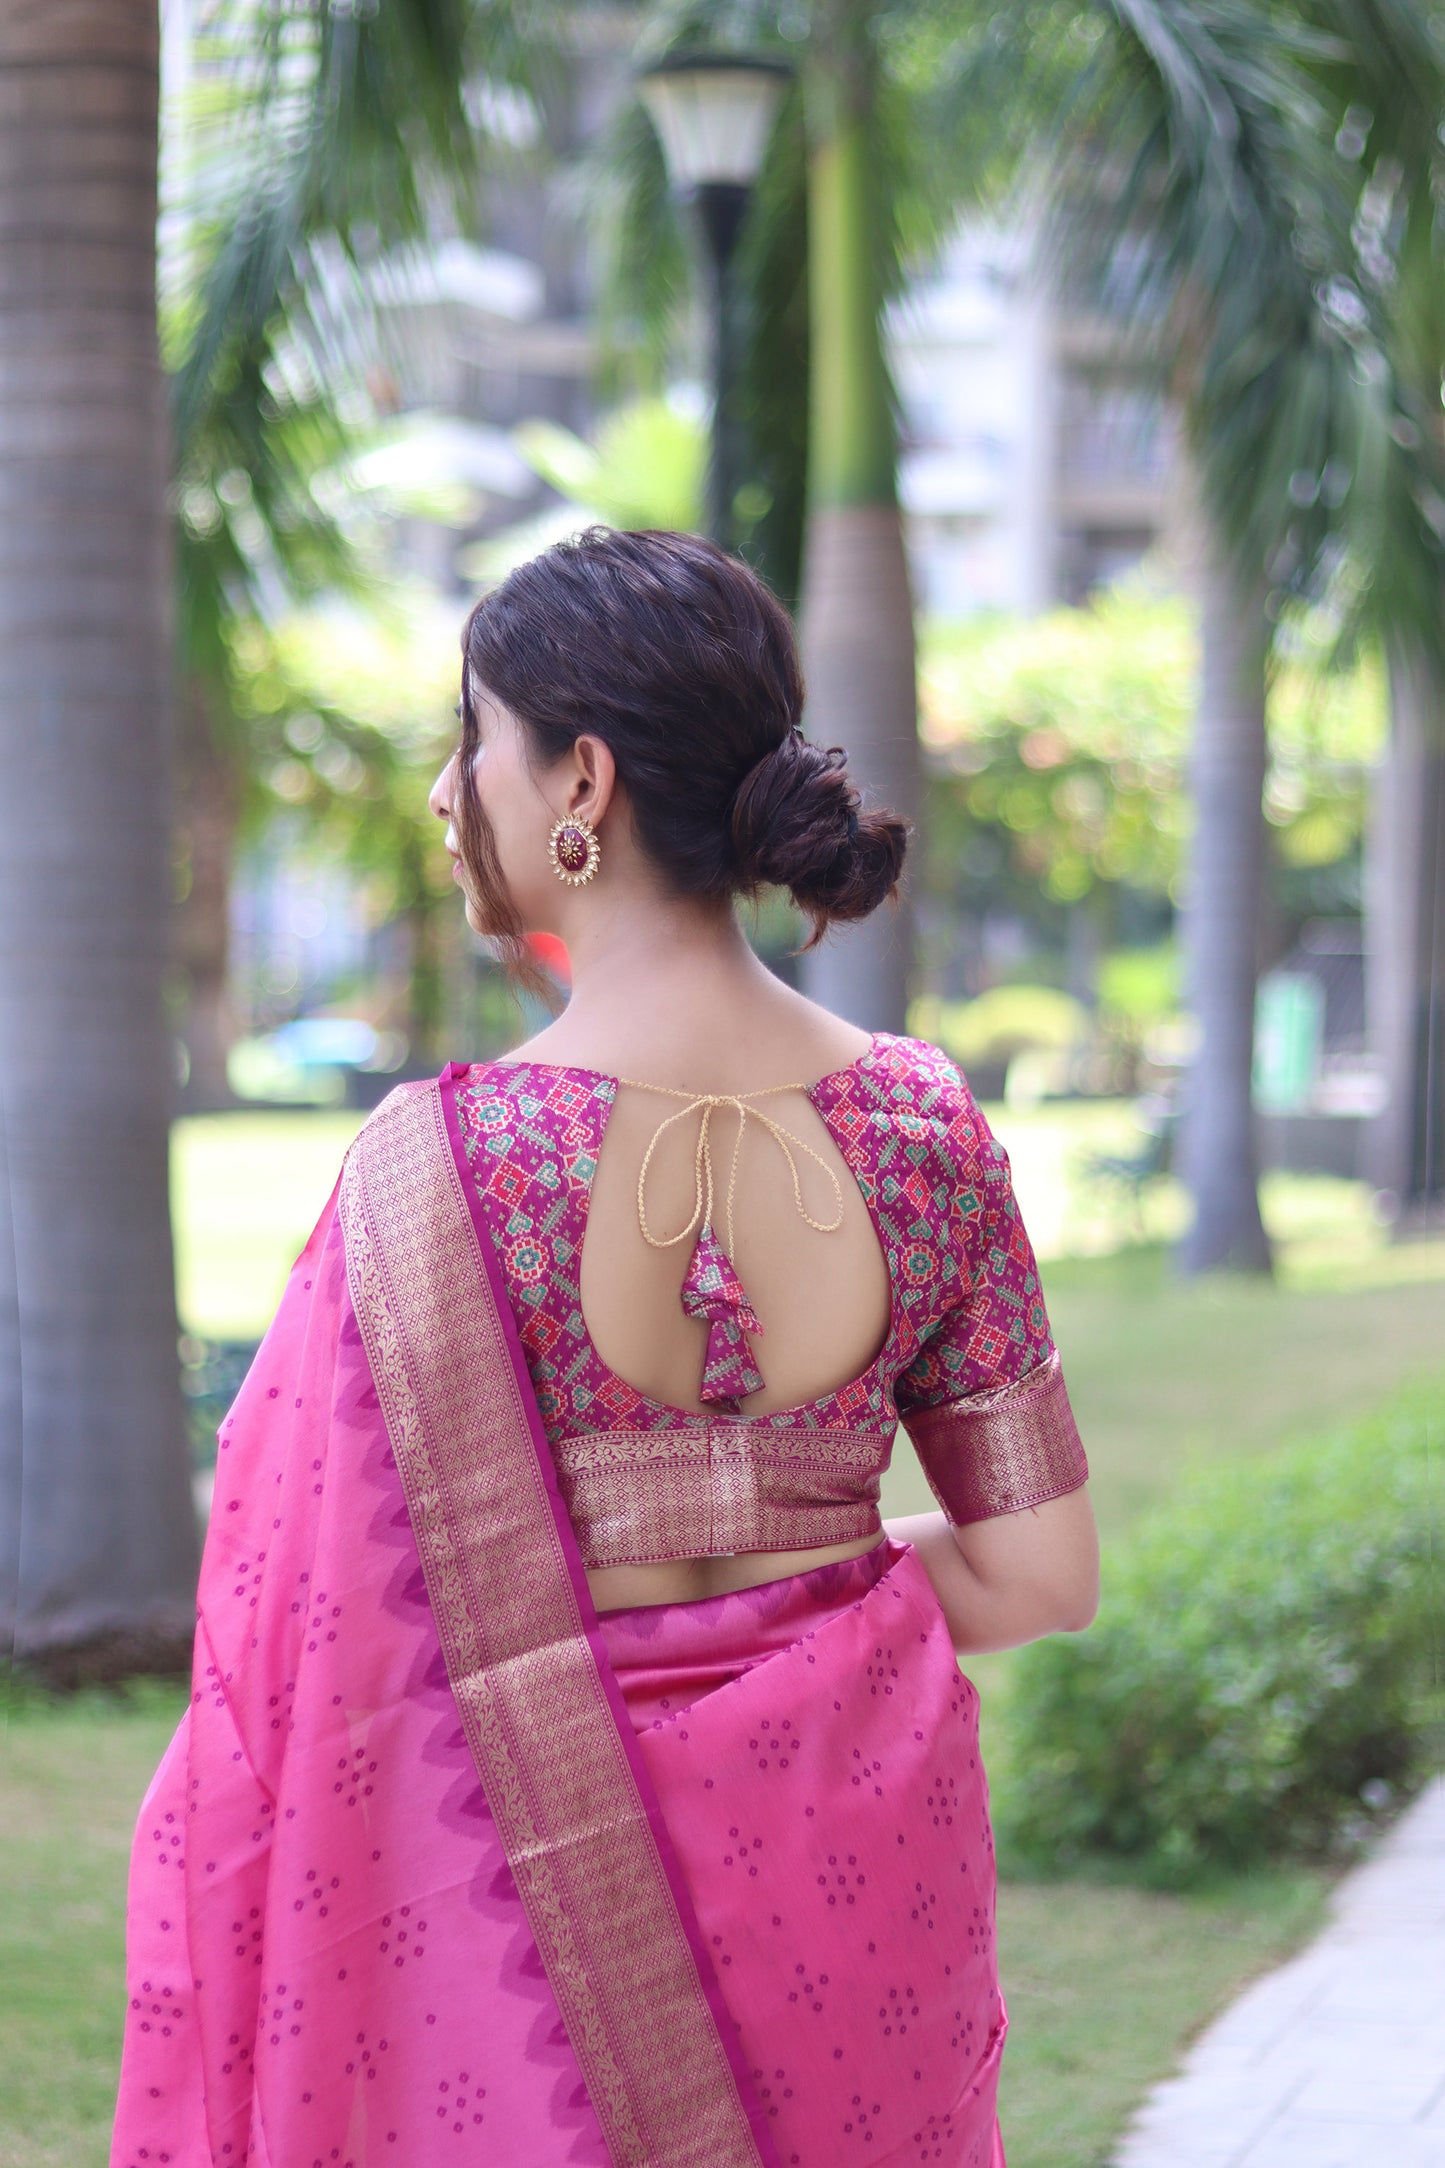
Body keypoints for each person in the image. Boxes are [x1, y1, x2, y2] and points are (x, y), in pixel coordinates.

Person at [112, 527, 1098, 2168]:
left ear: (580, 779)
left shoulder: (438, 1169)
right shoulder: (922, 1129)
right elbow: (1039, 1575)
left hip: (506, 1891)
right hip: (864, 1896)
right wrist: (812, 1603)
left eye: (473, 736)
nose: (449, 792)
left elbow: (300, 1624)